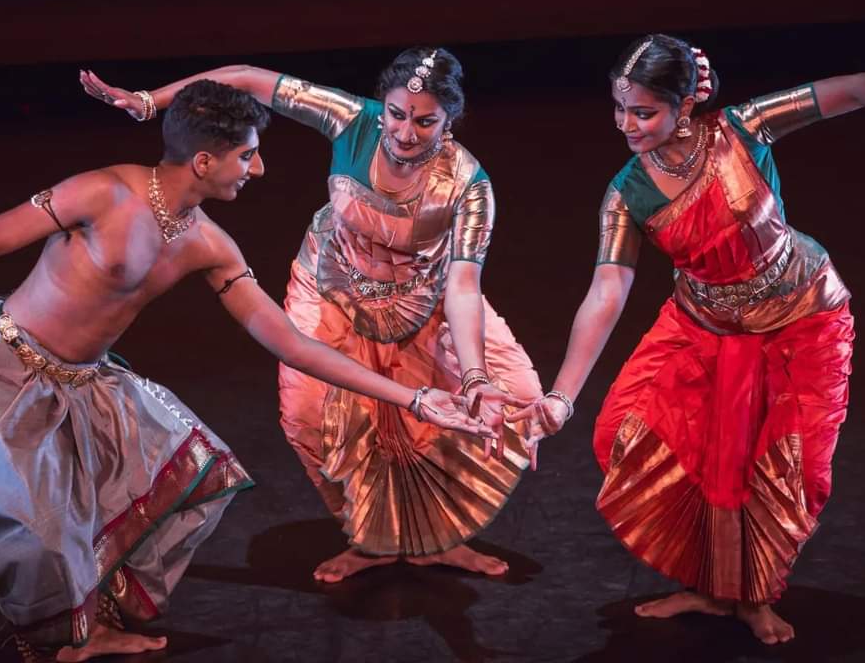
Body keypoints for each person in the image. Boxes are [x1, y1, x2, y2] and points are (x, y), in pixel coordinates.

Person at [0, 80, 489, 662]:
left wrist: (412, 399)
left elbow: (289, 343)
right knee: (42, 530)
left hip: (87, 383)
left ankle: (92, 628)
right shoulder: (102, 193)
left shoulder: (208, 244)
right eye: (248, 154)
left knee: (189, 475)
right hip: (7, 368)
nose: (258, 169)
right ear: (206, 160)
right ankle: (56, 640)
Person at [509, 33, 865, 645]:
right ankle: (709, 587)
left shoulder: (742, 130)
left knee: (785, 468)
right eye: (620, 109)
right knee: (645, 438)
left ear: (686, 105)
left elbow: (859, 87)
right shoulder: (627, 192)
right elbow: (606, 292)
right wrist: (561, 397)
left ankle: (754, 596)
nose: (627, 124)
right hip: (702, 328)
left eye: (644, 111)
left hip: (802, 321)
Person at [80, 46, 543, 584]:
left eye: (425, 121)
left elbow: (463, 283)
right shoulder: (352, 119)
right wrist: (147, 100)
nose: (405, 132)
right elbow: (247, 77)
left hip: (425, 299)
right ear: (381, 105)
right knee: (313, 415)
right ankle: (370, 539)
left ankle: (435, 540)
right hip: (332, 285)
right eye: (396, 113)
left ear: (451, 120)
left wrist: (475, 376)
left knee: (508, 400)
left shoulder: (468, 185)